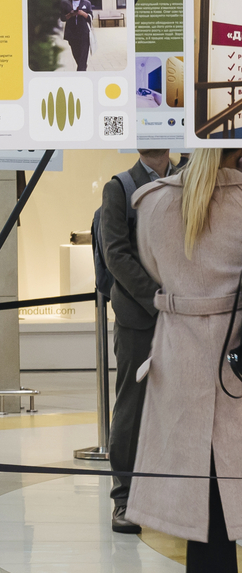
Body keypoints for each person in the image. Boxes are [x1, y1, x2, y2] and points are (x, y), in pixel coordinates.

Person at [123, 146, 242, 573]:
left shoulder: (152, 204)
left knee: (203, 496)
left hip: (180, 354)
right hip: (232, 355)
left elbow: (150, 268)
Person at [98, 147, 174, 534]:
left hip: (184, 313)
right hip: (140, 316)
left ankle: (174, 497)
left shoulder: (187, 179)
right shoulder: (120, 188)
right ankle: (124, 498)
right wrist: (156, 298)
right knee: (132, 404)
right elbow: (116, 254)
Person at [64, 0, 95, 72]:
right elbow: (62, 18)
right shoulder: (67, 3)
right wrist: (70, 15)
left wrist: (82, 13)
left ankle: (81, 73)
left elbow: (90, 18)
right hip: (72, 35)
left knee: (83, 58)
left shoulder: (87, 3)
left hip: (84, 35)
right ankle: (83, 67)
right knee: (77, 57)